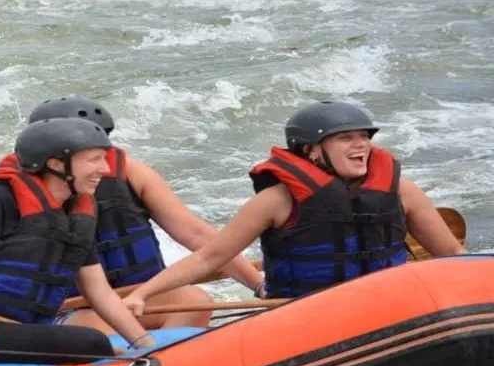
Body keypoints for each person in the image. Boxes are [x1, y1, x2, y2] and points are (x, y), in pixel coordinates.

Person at [123, 100, 465, 314]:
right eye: (345, 138)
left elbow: (449, 251)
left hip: (389, 306)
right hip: (301, 314)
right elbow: (210, 258)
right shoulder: (276, 201)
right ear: (311, 151)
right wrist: (143, 294)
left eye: (364, 137)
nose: (360, 145)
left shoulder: (402, 192)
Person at [0, 97, 265, 331]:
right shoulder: (14, 194)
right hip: (66, 310)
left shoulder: (131, 172)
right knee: (101, 328)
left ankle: (167, 365)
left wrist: (259, 287)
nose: (99, 162)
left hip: (134, 296)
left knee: (193, 301)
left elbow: (196, 235)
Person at [0, 117, 156, 366]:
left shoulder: (74, 214)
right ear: (56, 164)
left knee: (101, 347)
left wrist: (146, 344)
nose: (105, 169)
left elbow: (99, 291)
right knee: (92, 342)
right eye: (94, 159)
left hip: (15, 329)